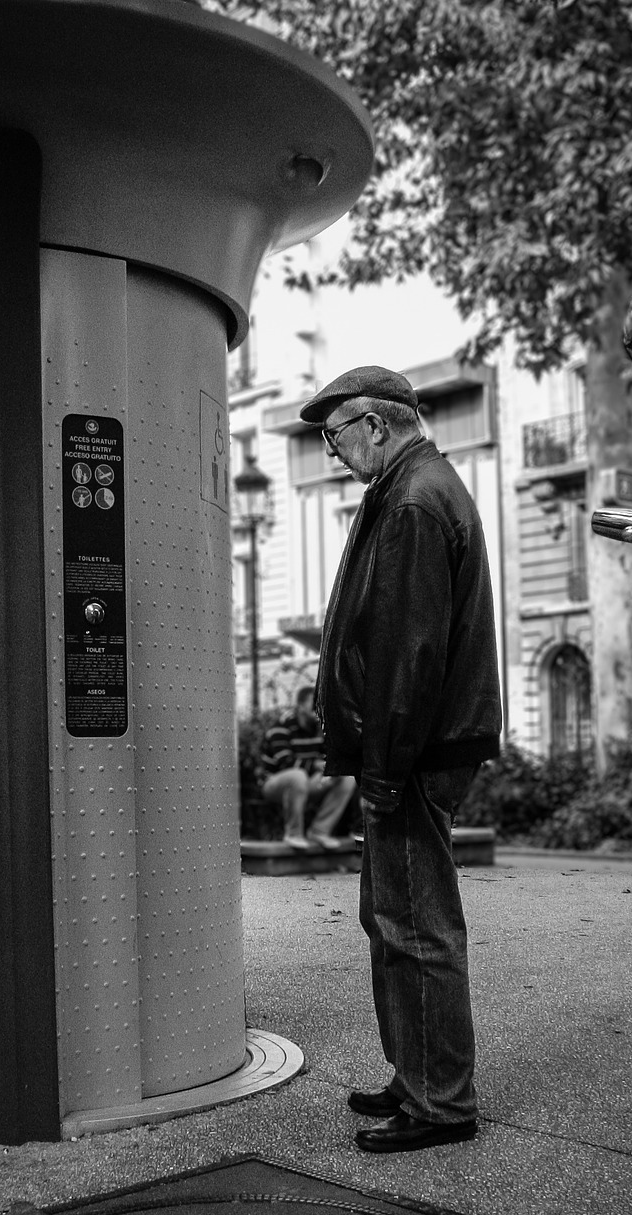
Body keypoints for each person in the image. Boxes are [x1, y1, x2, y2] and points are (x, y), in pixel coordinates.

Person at [302, 365, 502, 1155]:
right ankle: (416, 1071)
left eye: (335, 435)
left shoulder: (415, 500)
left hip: (415, 752)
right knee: (392, 918)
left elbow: (408, 655)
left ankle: (440, 1101)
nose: (332, 451)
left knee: (415, 925)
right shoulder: (410, 489)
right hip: (415, 746)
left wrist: (382, 771)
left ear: (376, 426)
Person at [260, 686, 358, 851]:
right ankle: (293, 834)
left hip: (307, 782)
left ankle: (319, 831)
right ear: (299, 706)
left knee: (346, 778)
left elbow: (328, 757)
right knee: (297, 776)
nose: (316, 710)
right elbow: (286, 763)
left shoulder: (320, 728)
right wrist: (315, 765)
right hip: (274, 783)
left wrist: (328, 772)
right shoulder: (281, 726)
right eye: (313, 705)